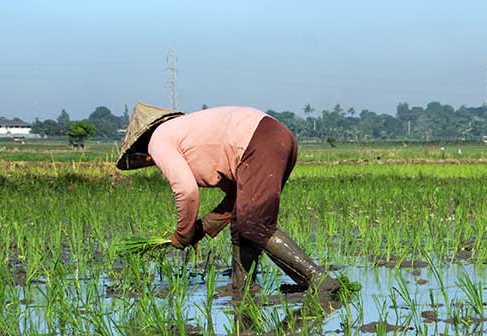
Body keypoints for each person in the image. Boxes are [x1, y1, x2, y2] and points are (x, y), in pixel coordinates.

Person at [116, 102, 339, 297]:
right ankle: (242, 286)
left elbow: (186, 191)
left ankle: (322, 283)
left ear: (140, 145)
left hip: (259, 141)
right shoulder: (183, 132)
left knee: (255, 224)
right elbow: (235, 198)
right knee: (245, 221)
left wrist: (182, 235)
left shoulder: (158, 141)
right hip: (276, 136)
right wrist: (202, 228)